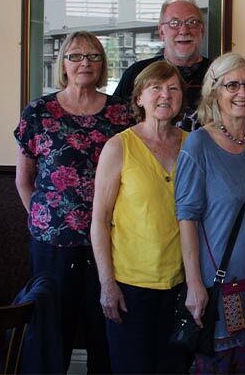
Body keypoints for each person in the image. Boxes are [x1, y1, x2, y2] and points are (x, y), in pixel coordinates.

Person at [14, 31, 130, 373]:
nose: (85, 63)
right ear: (63, 63)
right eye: (76, 56)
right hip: (52, 245)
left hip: (109, 242)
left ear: (102, 64)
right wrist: (44, 221)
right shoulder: (38, 111)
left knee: (104, 330)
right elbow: (23, 181)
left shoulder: (121, 113)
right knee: (50, 333)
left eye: (93, 56)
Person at [175, 52, 245, 373]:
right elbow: (186, 218)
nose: (242, 92)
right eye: (231, 85)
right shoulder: (198, 144)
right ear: (214, 91)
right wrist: (194, 283)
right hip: (219, 282)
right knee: (214, 364)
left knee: (241, 363)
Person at [91, 61, 189, 373]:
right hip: (130, 287)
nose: (165, 95)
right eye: (156, 88)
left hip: (181, 284)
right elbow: (99, 220)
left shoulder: (192, 144)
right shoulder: (119, 146)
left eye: (173, 88)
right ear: (139, 98)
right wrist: (107, 284)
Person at [114, 0, 211, 130]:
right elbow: (115, 123)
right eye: (174, 23)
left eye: (192, 22)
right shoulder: (137, 73)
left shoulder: (219, 74)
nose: (184, 30)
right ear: (161, 32)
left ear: (202, 30)